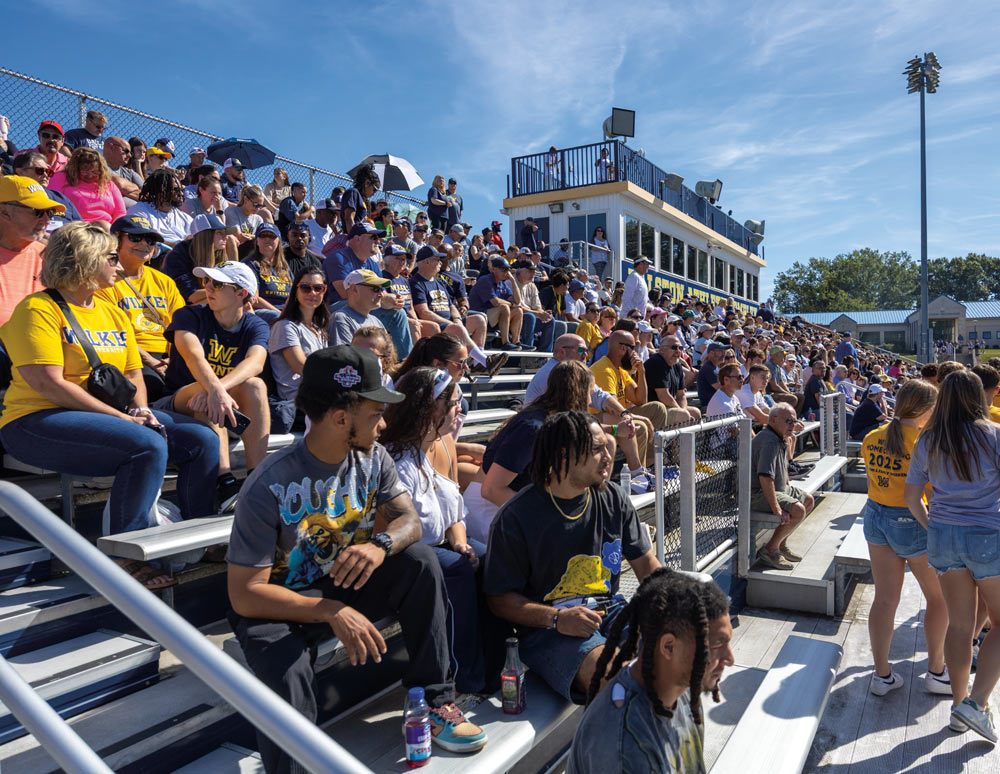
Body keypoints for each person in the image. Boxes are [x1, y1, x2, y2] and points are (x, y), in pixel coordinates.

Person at [227, 346, 487, 772]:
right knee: (286, 671)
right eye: (374, 414)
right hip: (279, 600)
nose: (383, 424)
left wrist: (379, 544)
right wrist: (331, 610)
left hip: (348, 578)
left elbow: (409, 521)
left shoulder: (373, 455)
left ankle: (436, 703)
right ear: (340, 417)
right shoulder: (268, 484)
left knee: (423, 562)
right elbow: (245, 595)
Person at [0, 221, 218, 587]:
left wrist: (142, 409)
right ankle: (124, 554)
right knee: (146, 443)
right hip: (35, 420)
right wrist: (123, 418)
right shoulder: (36, 310)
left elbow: (133, 374)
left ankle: (201, 533)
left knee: (202, 439)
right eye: (111, 258)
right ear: (85, 260)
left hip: (102, 416)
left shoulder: (111, 311)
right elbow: (48, 384)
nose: (119, 266)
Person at [484, 410, 659, 702]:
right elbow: (499, 600)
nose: (608, 455)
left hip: (611, 609)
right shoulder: (516, 516)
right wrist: (557, 618)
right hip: (550, 630)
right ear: (564, 456)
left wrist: (668, 608)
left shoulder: (612, 497)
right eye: (596, 449)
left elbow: (647, 566)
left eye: (607, 446)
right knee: (619, 679)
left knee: (673, 651)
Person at [904, 370, 1000, 742]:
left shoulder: (928, 439)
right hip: (988, 536)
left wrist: (935, 529)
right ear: (979, 396)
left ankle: (960, 709)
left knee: (960, 626)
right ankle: (976, 703)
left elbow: (913, 498)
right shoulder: (993, 435)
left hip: (944, 537)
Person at [381, 367, 489, 693]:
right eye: (453, 403)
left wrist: (459, 542)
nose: (460, 410)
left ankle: (495, 663)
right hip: (409, 555)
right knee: (454, 570)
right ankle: (462, 679)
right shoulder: (396, 459)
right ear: (430, 408)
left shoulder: (443, 445)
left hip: (442, 542)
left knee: (486, 557)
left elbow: (454, 507)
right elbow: (394, 532)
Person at [567, 569, 734, 774]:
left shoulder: (685, 690)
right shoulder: (625, 748)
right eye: (717, 645)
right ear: (669, 647)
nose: (730, 659)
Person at [860, 380, 949, 698]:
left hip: (875, 517)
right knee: (939, 600)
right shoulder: (927, 442)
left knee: (884, 600)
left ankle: (881, 675)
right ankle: (937, 672)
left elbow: (873, 478)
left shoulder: (872, 436)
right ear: (926, 409)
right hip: (912, 522)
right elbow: (934, 491)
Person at [157, 261, 270, 510]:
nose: (208, 287)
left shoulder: (255, 325)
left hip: (218, 401)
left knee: (255, 386)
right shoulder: (189, 315)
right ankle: (225, 482)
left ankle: (257, 478)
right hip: (176, 400)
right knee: (203, 389)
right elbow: (192, 355)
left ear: (241, 293)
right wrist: (215, 390)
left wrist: (218, 389)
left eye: (218, 284)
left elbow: (256, 362)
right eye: (207, 281)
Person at [523, 335, 651, 492]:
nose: (586, 355)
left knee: (622, 424)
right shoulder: (556, 374)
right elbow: (570, 426)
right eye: (581, 350)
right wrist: (616, 428)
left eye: (587, 350)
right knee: (609, 441)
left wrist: (625, 414)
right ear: (561, 352)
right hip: (545, 438)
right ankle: (598, 493)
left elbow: (600, 396)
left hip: (559, 429)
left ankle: (636, 476)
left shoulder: (573, 371)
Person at [96, 215, 184, 402]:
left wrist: (173, 359)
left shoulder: (163, 281)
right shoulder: (104, 280)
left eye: (150, 240)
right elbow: (113, 334)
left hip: (168, 356)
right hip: (129, 355)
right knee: (152, 385)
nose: (144, 243)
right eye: (136, 238)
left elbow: (181, 326)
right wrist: (152, 362)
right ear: (116, 240)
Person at [409, 245, 503, 377]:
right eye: (437, 259)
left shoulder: (438, 281)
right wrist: (451, 323)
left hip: (449, 323)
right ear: (426, 261)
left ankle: (478, 365)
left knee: (479, 320)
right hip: (433, 326)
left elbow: (451, 305)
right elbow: (424, 312)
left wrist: (457, 319)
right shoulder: (416, 283)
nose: (441, 263)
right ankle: (485, 361)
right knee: (457, 329)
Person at [751, 404, 815, 571]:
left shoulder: (780, 436)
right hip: (756, 494)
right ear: (773, 420)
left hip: (777, 489)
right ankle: (770, 550)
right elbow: (765, 477)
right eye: (788, 421)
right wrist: (776, 508)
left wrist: (787, 483)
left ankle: (780, 543)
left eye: (794, 421)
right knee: (798, 510)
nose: (792, 425)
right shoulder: (769, 440)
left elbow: (783, 467)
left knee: (808, 500)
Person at [0, 175, 63, 326]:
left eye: (49, 212)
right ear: (4, 212)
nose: (47, 220)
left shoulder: (50, 257)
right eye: (37, 211)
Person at [268, 266, 330, 403]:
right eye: (305, 288)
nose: (312, 293)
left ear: (324, 290)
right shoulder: (285, 326)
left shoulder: (319, 329)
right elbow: (302, 367)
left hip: (320, 394)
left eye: (318, 288)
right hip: (298, 401)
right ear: (295, 290)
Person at [162, 213, 239, 304]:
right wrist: (230, 290)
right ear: (205, 236)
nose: (226, 237)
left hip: (205, 303)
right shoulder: (178, 255)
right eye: (219, 233)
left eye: (225, 233)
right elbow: (192, 296)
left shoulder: (218, 252)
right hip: (180, 308)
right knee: (228, 299)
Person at [48, 147, 126, 224]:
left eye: (95, 172)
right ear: (75, 168)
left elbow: (120, 212)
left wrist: (115, 229)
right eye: (85, 171)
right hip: (74, 226)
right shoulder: (61, 178)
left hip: (107, 230)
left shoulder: (109, 185)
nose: (90, 175)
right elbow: (52, 204)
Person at [10, 151, 81, 232]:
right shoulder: (12, 197)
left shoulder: (60, 197)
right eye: (40, 170)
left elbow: (80, 226)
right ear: (20, 172)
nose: (45, 175)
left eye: (48, 172)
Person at [468, 257, 524, 352]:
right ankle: (505, 343)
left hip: (493, 319)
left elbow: (517, 301)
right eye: (503, 269)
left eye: (508, 269)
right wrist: (511, 304)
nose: (506, 272)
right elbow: (495, 302)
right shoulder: (485, 280)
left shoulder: (502, 284)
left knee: (518, 310)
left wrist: (513, 281)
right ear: (494, 269)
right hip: (479, 318)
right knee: (504, 307)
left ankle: (515, 342)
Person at [126, 170, 193, 245]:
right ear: (162, 189)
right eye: (176, 189)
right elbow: (144, 239)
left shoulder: (186, 218)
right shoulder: (139, 210)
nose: (181, 193)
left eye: (181, 190)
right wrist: (179, 247)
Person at [644, 335, 700, 423]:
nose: (678, 351)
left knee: (695, 412)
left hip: (668, 407)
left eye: (680, 348)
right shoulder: (657, 362)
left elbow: (681, 395)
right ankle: (675, 437)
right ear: (662, 350)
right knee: (683, 415)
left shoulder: (677, 365)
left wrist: (683, 410)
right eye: (674, 347)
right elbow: (663, 396)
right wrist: (682, 412)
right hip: (654, 410)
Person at [241, 222, 292, 317]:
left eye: (272, 236)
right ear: (257, 241)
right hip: (263, 312)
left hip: (285, 313)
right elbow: (254, 299)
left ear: (279, 241)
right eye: (263, 235)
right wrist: (281, 314)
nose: (267, 239)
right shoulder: (250, 264)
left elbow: (293, 295)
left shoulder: (284, 267)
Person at [330, 269, 390, 345]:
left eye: (381, 289)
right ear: (354, 289)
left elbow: (388, 354)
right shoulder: (340, 319)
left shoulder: (376, 321)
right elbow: (344, 355)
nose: (381, 294)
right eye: (376, 289)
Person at [341, 164, 381, 234]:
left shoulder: (362, 199)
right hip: (352, 239)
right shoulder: (353, 192)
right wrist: (353, 239)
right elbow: (349, 219)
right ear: (367, 183)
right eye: (374, 189)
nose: (374, 193)